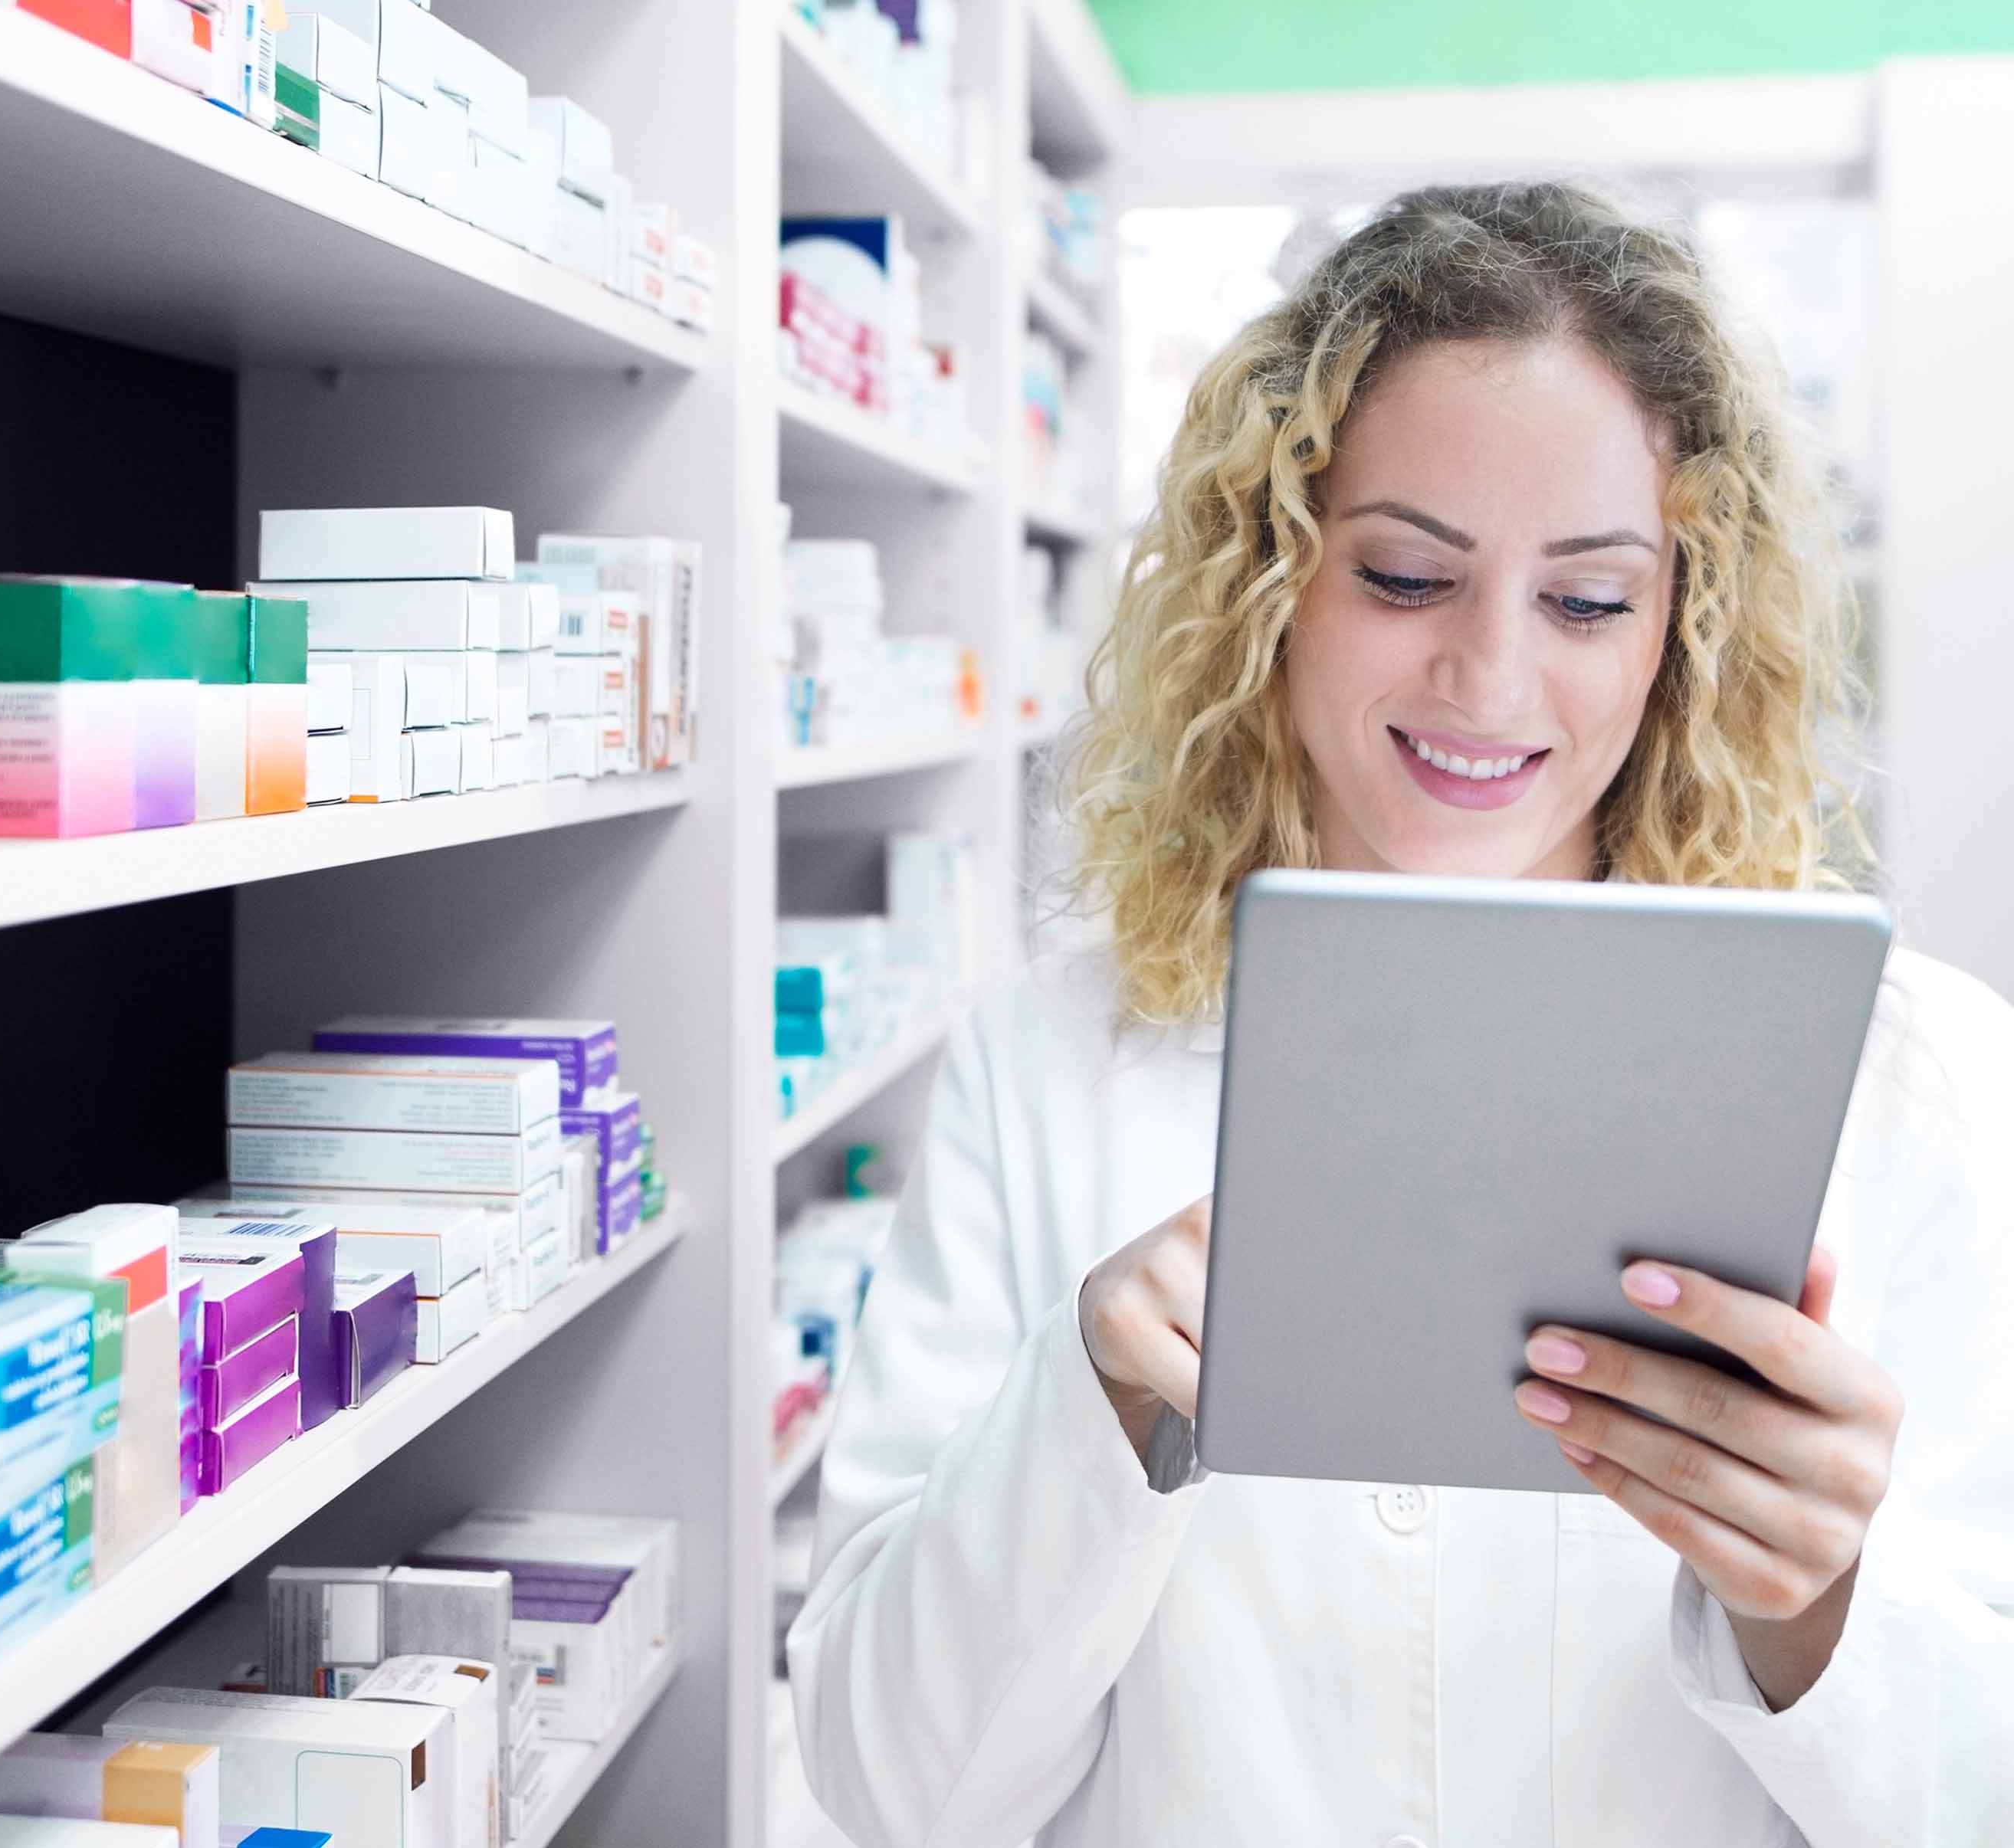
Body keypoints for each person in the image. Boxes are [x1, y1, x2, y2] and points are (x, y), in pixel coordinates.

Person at [785, 182, 2014, 1846]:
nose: (1487, 683)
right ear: (1268, 575)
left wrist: (1815, 1615)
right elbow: (883, 1791)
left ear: (1679, 629)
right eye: (1400, 575)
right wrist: (1094, 1414)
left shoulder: (1916, 1075)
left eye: (1585, 601)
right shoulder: (1052, 1061)